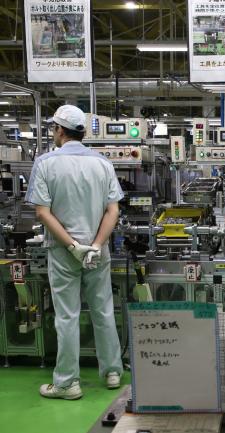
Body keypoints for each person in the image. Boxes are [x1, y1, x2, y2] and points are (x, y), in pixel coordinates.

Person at [26, 105, 124, 400]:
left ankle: (68, 383)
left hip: (64, 252)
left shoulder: (45, 163)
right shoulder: (102, 164)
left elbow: (43, 213)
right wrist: (95, 245)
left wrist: (73, 246)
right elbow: (113, 210)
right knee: (103, 310)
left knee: (66, 316)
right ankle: (112, 372)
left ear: (58, 130)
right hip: (98, 251)